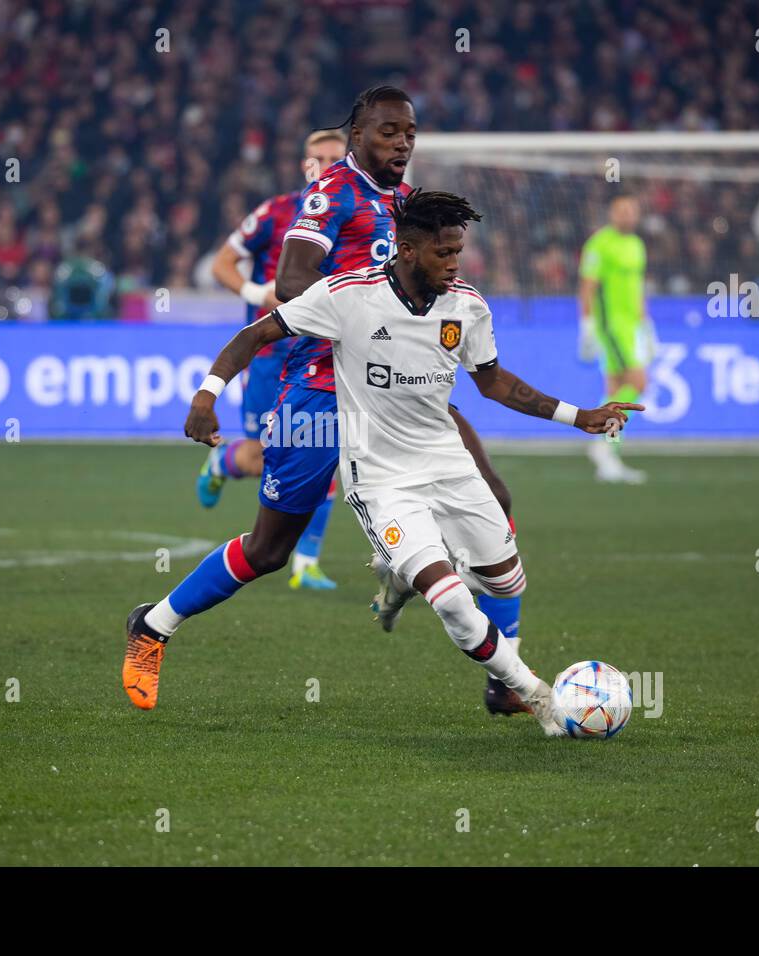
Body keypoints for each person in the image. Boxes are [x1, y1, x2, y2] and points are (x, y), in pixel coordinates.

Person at [174, 190, 643, 733]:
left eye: (458, 252)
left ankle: (402, 574)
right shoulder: (348, 294)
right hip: (380, 478)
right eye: (443, 253)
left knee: (505, 585)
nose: (454, 263)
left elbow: (493, 383)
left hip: (448, 465)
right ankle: (535, 695)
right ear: (407, 249)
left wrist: (578, 415)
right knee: (450, 601)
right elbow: (256, 334)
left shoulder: (466, 306)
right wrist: (206, 395)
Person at [198, 129, 348, 590]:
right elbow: (222, 262)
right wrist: (255, 292)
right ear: (305, 164)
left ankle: (305, 563)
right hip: (270, 354)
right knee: (266, 456)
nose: (325, 164)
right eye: (318, 157)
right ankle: (223, 464)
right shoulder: (277, 212)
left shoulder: (359, 211)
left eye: (334, 157)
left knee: (329, 455)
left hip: (326, 355)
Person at [578, 192, 652, 484]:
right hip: (611, 326)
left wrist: (645, 325)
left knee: (615, 390)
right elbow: (587, 286)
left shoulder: (636, 244)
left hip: (630, 326)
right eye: (622, 210)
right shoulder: (600, 244)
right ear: (612, 213)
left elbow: (637, 288)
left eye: (632, 210)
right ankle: (601, 445)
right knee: (638, 383)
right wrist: (587, 324)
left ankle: (608, 454)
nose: (627, 215)